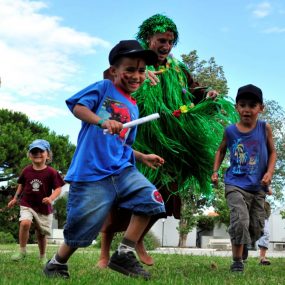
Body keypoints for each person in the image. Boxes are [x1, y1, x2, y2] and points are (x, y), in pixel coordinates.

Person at [98, 14, 237, 268]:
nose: (166, 46)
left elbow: (192, 90)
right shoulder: (134, 61)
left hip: (167, 146)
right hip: (135, 142)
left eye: (171, 42)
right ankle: (105, 255)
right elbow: (109, 80)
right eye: (161, 40)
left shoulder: (177, 69)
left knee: (161, 195)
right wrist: (141, 78)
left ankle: (135, 241)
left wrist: (207, 93)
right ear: (148, 38)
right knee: (118, 198)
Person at [43, 40, 165, 280]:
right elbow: (77, 107)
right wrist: (101, 121)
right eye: (129, 69)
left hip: (121, 170)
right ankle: (56, 263)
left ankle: (123, 253)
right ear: (114, 71)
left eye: (141, 71)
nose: (136, 76)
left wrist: (142, 157)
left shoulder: (134, 107)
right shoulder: (103, 88)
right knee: (81, 229)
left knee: (152, 200)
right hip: (91, 173)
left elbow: (122, 145)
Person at [211, 84, 277, 272]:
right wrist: (215, 171)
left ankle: (244, 246)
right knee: (239, 219)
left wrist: (269, 173)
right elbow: (221, 150)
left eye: (252, 105)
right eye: (242, 105)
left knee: (256, 228)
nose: (247, 109)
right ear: (236, 107)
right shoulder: (230, 131)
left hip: (258, 187)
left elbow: (273, 152)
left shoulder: (265, 128)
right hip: (235, 183)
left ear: (261, 108)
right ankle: (237, 261)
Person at [7, 139, 64, 265]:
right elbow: (21, 184)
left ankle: (42, 256)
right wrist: (15, 198)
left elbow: (59, 188)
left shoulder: (52, 172)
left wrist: (51, 198)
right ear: (29, 155)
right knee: (25, 223)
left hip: (43, 208)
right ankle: (22, 251)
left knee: (41, 233)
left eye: (40, 151)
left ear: (48, 155)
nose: (37, 153)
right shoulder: (26, 170)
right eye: (33, 151)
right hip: (27, 204)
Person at [257, 188, 272, 265]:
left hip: (262, 210)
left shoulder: (263, 177)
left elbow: (270, 192)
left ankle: (262, 258)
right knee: (245, 231)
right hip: (249, 205)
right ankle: (240, 258)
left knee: (265, 233)